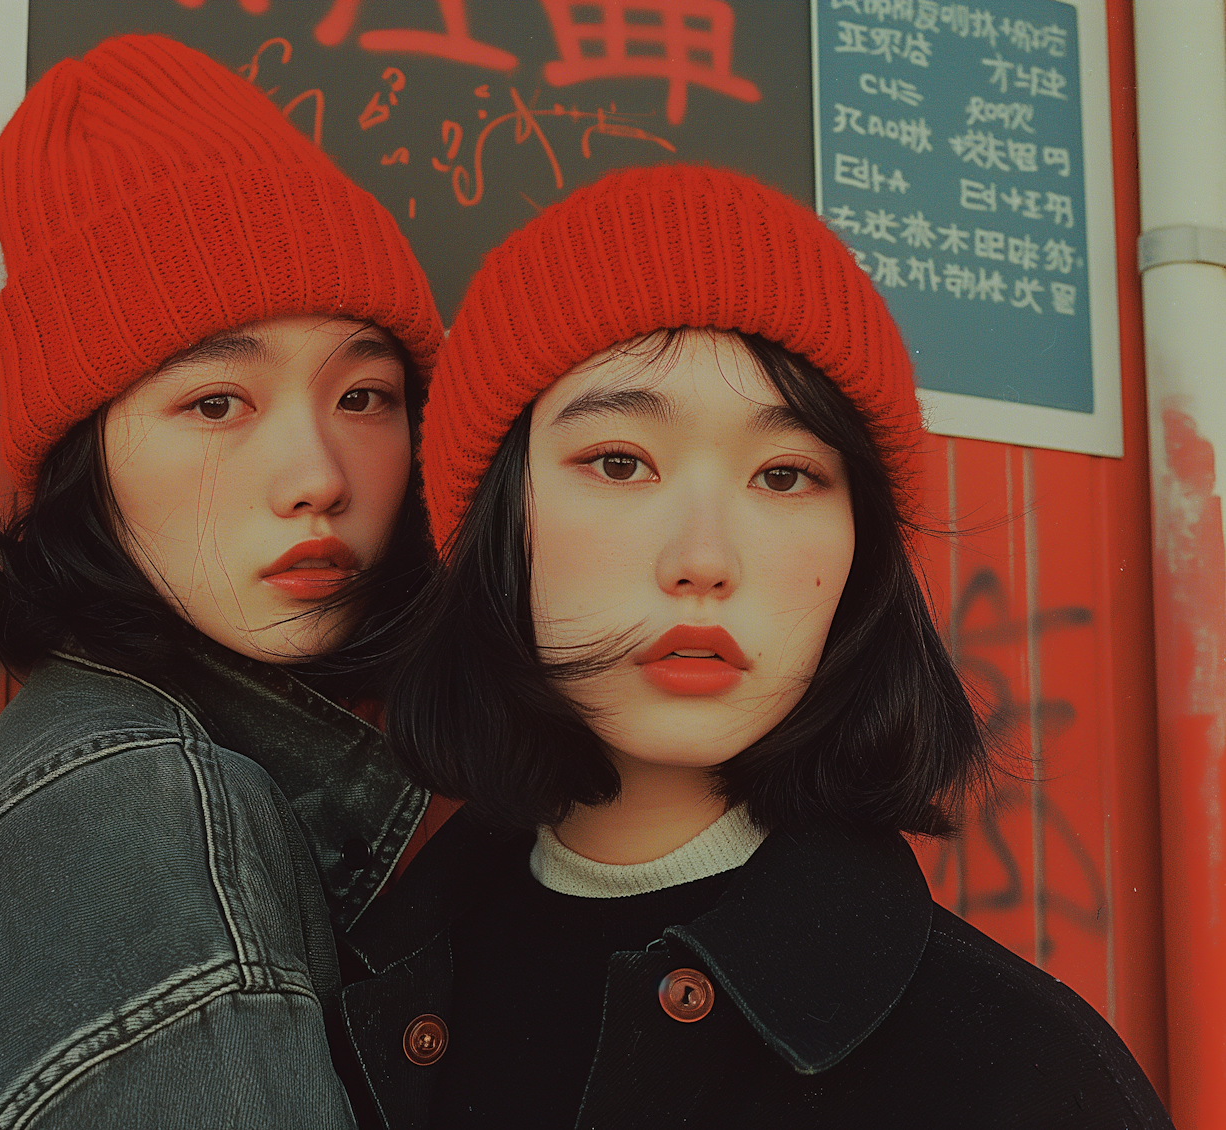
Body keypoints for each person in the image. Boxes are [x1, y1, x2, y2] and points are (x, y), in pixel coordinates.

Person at [335, 165, 1173, 1129]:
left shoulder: (1021, 1077)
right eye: (619, 462)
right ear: (491, 525)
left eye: (784, 475)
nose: (704, 560)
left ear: (860, 557)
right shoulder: (350, 994)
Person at [0, 35, 450, 1129]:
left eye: (365, 394)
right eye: (217, 403)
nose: (318, 477)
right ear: (88, 463)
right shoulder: (141, 815)